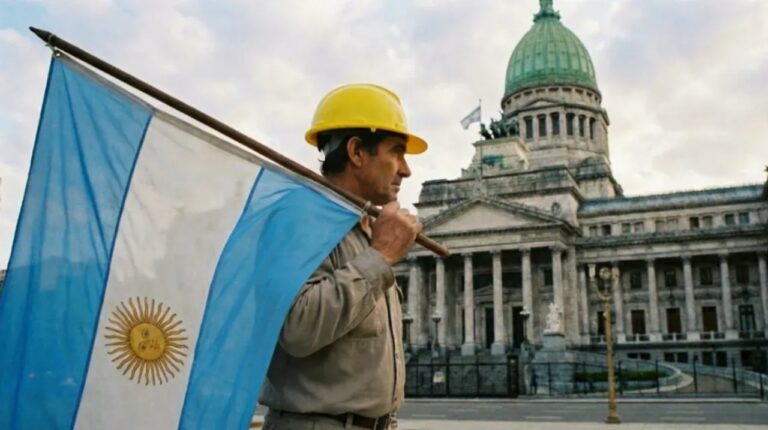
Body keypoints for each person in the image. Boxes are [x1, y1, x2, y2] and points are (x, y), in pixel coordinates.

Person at [260, 83, 428, 430]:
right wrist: (381, 255)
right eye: (396, 152)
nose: (406, 170)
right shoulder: (300, 216)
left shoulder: (365, 229)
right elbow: (298, 328)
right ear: (356, 152)